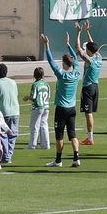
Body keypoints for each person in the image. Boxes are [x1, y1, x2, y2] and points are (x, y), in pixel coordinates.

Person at [41, 33, 82, 167]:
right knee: (73, 134)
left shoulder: (61, 74)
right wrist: (68, 45)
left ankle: (58, 160)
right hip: (72, 109)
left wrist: (47, 46)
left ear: (64, 63)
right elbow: (76, 58)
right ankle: (76, 158)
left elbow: (51, 61)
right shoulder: (77, 72)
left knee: (59, 136)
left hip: (61, 109)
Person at [74, 22, 103, 145]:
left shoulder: (90, 60)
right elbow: (93, 45)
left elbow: (78, 49)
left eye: (87, 49)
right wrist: (87, 31)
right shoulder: (99, 57)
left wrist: (78, 32)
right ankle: (90, 137)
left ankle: (90, 138)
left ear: (90, 51)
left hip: (88, 88)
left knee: (88, 114)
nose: (85, 49)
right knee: (89, 113)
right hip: (96, 87)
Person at [0, 63, 20, 165]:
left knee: (3, 135)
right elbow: (16, 94)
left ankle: (6, 156)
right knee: (12, 135)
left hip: (3, 112)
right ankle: (8, 155)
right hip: (15, 110)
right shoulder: (13, 82)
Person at [28, 67, 52, 150]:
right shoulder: (46, 84)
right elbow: (49, 96)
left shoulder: (35, 84)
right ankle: (46, 144)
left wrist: (27, 97)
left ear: (34, 75)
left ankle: (32, 145)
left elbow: (33, 97)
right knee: (44, 125)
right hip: (46, 106)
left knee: (35, 126)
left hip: (38, 107)